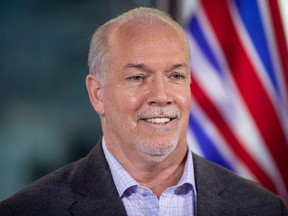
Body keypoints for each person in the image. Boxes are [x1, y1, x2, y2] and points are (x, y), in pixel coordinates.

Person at [0, 7, 287, 216]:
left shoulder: (263, 208)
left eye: (175, 76)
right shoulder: (30, 210)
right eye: (137, 77)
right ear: (97, 94)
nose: (161, 96)